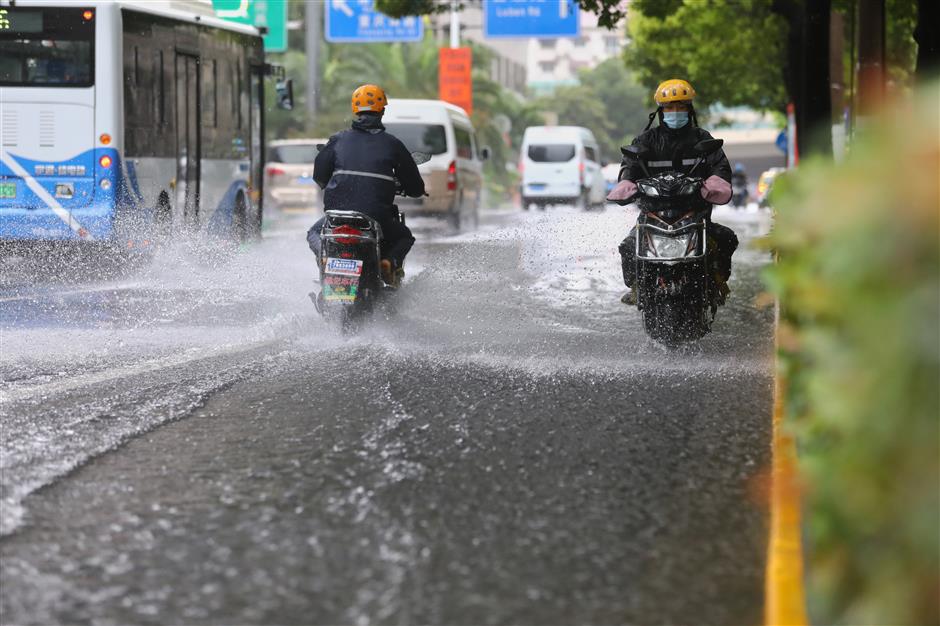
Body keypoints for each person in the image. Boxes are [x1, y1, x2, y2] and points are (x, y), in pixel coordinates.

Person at [608, 78, 738, 305]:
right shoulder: (645, 141)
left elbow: (720, 167)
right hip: (654, 215)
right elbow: (629, 169)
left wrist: (716, 183)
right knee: (628, 246)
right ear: (661, 111)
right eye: (669, 108)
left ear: (689, 110)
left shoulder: (702, 139)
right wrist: (627, 184)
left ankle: (717, 283)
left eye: (680, 107)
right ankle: (637, 287)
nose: (675, 112)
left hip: (694, 214)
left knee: (726, 238)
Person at [306, 84, 425, 287]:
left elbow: (319, 177)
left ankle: (324, 259)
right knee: (404, 237)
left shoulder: (337, 140)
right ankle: (388, 262)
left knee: (314, 233)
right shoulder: (392, 144)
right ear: (382, 111)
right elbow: (415, 188)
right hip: (376, 217)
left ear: (355, 110)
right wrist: (410, 189)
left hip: (336, 218)